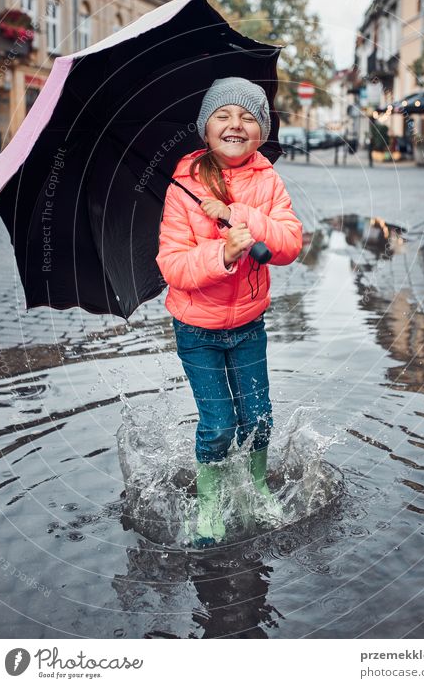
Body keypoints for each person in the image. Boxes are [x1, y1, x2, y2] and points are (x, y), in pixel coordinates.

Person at [156, 77, 303, 547]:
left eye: (248, 116)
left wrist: (242, 215)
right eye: (223, 115)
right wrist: (222, 257)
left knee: (258, 417)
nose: (235, 123)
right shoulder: (183, 186)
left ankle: (258, 487)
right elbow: (173, 265)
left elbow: (289, 244)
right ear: (205, 128)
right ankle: (209, 502)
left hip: (248, 324)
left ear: (261, 131)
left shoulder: (269, 181)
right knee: (219, 425)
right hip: (196, 328)